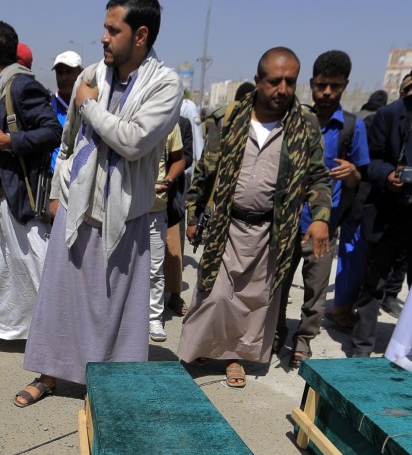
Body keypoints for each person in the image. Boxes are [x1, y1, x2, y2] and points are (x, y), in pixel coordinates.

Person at [19, 0, 182, 406]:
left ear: (140, 35)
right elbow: (70, 143)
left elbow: (132, 141)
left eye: (114, 30)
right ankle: (50, 375)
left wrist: (90, 107)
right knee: (61, 299)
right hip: (78, 208)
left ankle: (111, 388)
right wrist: (59, 192)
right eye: (104, 29)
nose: (104, 38)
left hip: (125, 217)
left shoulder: (165, 85)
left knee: (115, 310)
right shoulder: (91, 75)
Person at [178, 47, 332, 387]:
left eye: (290, 82)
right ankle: (201, 349)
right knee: (214, 294)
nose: (282, 89)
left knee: (254, 302)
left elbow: (319, 177)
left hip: (270, 232)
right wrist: (193, 213)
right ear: (258, 80)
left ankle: (237, 358)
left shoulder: (304, 125)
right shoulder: (228, 117)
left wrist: (320, 217)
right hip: (226, 225)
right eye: (274, 81)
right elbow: (204, 172)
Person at [0, 20, 62, 343]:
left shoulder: (20, 85)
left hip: (21, 197)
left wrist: (7, 140)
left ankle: (61, 337)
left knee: (38, 269)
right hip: (1, 197)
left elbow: (51, 131)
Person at [274, 50, 369, 368]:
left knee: (315, 289)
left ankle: (302, 341)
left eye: (335, 86)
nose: (327, 92)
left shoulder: (352, 128)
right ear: (311, 84)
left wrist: (352, 174)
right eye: (321, 85)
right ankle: (274, 333)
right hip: (287, 221)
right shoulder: (294, 121)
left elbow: (361, 180)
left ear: (345, 86)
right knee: (278, 282)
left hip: (323, 225)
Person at [349, 76, 412, 357]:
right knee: (374, 283)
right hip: (389, 213)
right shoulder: (389, 115)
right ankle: (361, 349)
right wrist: (387, 175)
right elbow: (367, 162)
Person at [148, 123, 186, 342]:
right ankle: (125, 318)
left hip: (156, 209)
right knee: (124, 269)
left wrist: (169, 179)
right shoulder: (127, 116)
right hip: (125, 210)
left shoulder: (170, 124)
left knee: (155, 269)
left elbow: (179, 159)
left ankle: (154, 318)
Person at [50, 51, 83, 173]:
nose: (63, 78)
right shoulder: (48, 107)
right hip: (54, 184)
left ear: (81, 72)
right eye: (60, 73)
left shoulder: (91, 106)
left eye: (69, 72)